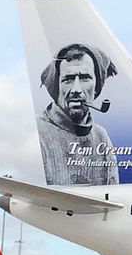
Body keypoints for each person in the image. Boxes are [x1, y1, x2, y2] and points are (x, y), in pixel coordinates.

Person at [36, 43, 119, 185]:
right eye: (68, 79)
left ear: (96, 86)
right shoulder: (37, 131)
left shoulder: (101, 136)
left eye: (85, 78)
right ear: (57, 85)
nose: (76, 89)